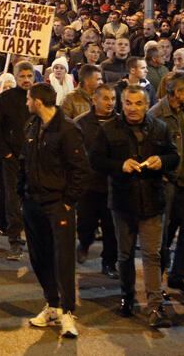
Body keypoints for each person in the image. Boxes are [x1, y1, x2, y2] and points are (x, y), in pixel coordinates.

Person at [89, 85, 178, 328]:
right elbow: (95, 159)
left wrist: (162, 161)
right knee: (125, 255)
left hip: (152, 201)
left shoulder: (160, 128)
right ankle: (127, 297)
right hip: (122, 202)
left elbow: (174, 156)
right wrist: (120, 165)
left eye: (138, 103)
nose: (132, 108)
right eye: (128, 103)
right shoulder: (109, 129)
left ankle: (155, 306)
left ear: (147, 105)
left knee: (152, 255)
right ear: (122, 104)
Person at [19, 82, 89, 339]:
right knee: (39, 258)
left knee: (63, 258)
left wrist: (68, 201)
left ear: (37, 102)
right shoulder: (31, 127)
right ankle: (52, 305)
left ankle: (68, 313)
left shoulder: (69, 130)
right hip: (32, 203)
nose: (26, 103)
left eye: (28, 99)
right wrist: (21, 195)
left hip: (58, 205)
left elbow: (81, 169)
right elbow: (23, 164)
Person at [148, 70, 184, 298]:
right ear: (177, 92)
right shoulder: (156, 114)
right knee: (162, 236)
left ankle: (179, 274)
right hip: (166, 183)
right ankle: (156, 284)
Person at [0, 60, 35, 260]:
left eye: (29, 76)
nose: (26, 80)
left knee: (33, 200)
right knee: (13, 200)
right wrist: (5, 153)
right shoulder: (5, 98)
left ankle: (34, 240)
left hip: (35, 159)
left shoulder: (40, 97)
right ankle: (14, 241)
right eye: (22, 76)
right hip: (12, 159)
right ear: (15, 78)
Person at [73, 83, 119, 279]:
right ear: (95, 99)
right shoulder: (81, 123)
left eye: (113, 99)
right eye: (106, 98)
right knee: (86, 222)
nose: (110, 103)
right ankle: (84, 243)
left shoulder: (120, 123)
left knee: (112, 228)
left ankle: (109, 262)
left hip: (113, 186)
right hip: (89, 185)